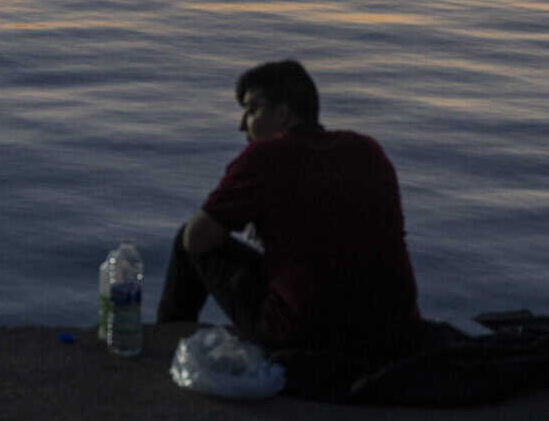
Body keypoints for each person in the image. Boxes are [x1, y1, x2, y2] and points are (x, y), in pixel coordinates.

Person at [157, 59, 421, 361]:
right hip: (394, 328)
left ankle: (164, 345)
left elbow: (197, 240)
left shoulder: (265, 156)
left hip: (305, 333)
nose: (242, 124)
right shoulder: (367, 150)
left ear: (283, 114)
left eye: (252, 110)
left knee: (185, 240)